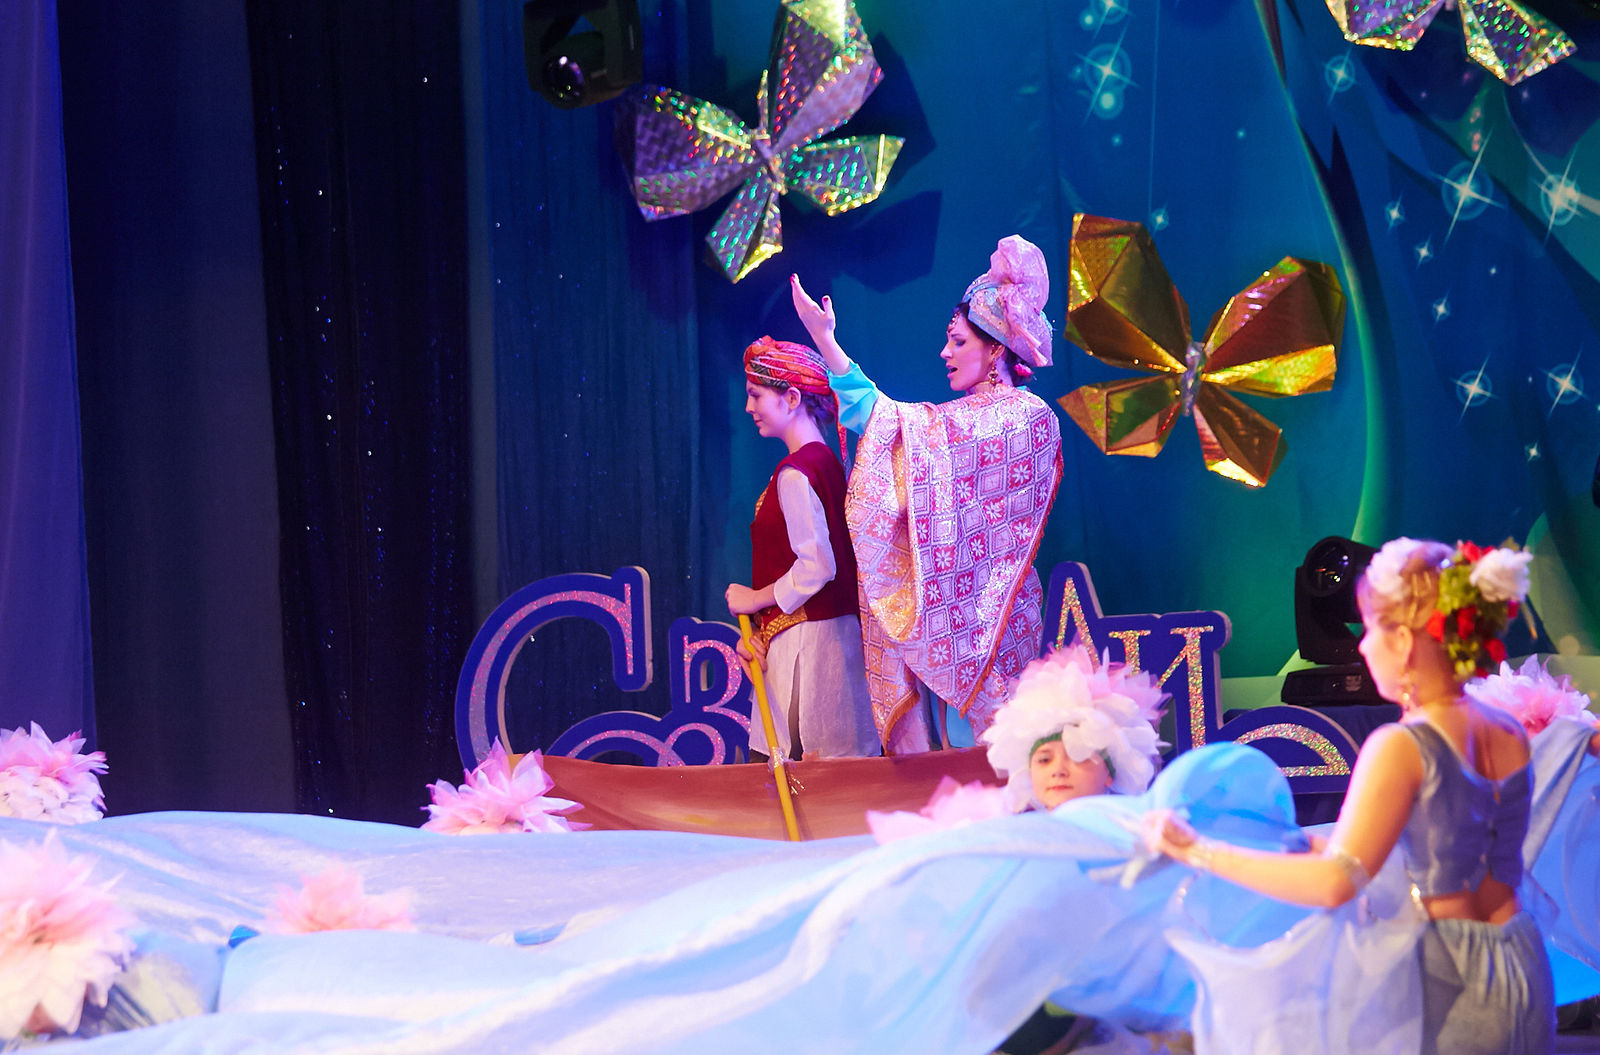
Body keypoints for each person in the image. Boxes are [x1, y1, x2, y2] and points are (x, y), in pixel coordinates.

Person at [1143, 537, 1556, 1054]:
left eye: (1370, 628)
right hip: (1520, 962)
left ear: (1403, 640)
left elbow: (1335, 883)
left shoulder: (1401, 746)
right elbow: (1445, 843)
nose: (1361, 647)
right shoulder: (1507, 730)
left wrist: (1197, 851)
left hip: (1448, 982)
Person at [790, 235, 1064, 754]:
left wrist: (830, 346)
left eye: (957, 342)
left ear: (996, 349)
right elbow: (890, 427)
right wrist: (826, 341)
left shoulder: (1026, 417)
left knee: (1004, 760)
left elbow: (891, 424)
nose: (944, 353)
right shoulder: (956, 422)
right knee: (948, 772)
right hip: (944, 610)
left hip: (997, 616)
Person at [723, 337, 877, 760]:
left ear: (792, 398)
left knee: (805, 778)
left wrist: (755, 598)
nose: (748, 407)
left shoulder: (797, 472)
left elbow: (818, 566)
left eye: (756, 395)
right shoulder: (828, 464)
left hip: (810, 651)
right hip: (827, 642)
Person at [982, 645, 1166, 812]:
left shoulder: (1132, 833)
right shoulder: (1011, 833)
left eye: (1079, 756)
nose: (1058, 770)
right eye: (1044, 760)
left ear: (1109, 772)